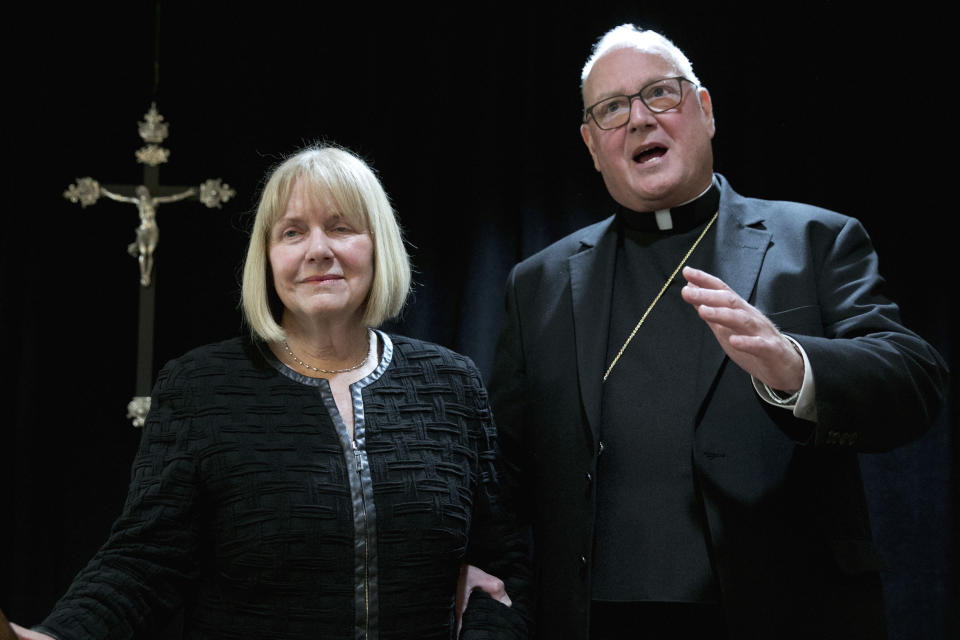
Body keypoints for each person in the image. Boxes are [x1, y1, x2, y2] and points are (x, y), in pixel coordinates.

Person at [486, 23, 949, 639]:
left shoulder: (814, 242)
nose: (640, 120)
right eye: (612, 109)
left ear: (704, 110)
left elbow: (915, 382)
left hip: (783, 610)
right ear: (592, 146)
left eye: (660, 94)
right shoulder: (537, 283)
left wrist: (794, 365)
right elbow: (503, 468)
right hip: (594, 619)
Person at [13, 145, 528, 640]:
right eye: (292, 233)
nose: (318, 250)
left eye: (341, 227)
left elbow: (505, 564)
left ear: (379, 245)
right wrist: (59, 635)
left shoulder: (451, 384)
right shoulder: (200, 387)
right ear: (268, 258)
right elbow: (144, 561)